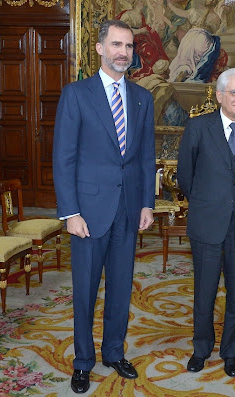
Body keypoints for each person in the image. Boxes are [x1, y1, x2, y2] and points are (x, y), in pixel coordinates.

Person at [52, 20, 155, 393]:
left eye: (128, 46)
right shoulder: (77, 94)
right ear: (99, 48)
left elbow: (145, 157)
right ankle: (83, 361)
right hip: (88, 215)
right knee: (84, 291)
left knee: (121, 289)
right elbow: (63, 158)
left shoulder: (144, 98)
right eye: (115, 44)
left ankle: (114, 352)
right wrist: (70, 212)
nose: (122, 52)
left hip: (128, 211)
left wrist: (147, 203)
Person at [177, 67, 235, 377]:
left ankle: (231, 352)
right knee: (204, 292)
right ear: (219, 96)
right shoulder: (198, 127)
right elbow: (185, 176)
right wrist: (208, 200)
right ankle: (201, 349)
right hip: (207, 222)